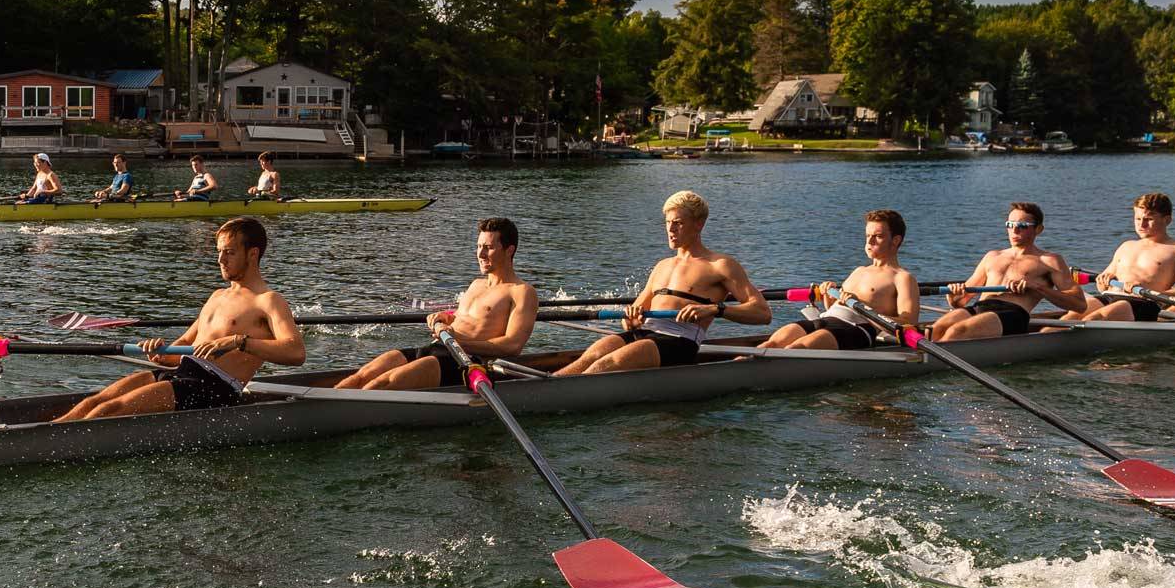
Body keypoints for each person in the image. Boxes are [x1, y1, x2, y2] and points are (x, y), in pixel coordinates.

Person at [55, 217, 304, 419]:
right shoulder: (217, 296)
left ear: (252, 254)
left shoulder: (268, 300)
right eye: (219, 252)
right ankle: (50, 432)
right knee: (95, 402)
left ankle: (58, 446)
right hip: (182, 372)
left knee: (110, 410)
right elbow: (184, 344)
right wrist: (160, 353)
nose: (220, 260)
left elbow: (295, 352)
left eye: (229, 252)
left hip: (214, 388)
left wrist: (238, 341)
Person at [555, 191, 771, 372]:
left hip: (679, 341)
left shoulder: (720, 265)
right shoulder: (662, 266)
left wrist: (715, 309)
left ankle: (560, 395)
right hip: (644, 334)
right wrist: (631, 320)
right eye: (668, 222)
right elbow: (631, 319)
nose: (670, 229)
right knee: (594, 353)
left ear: (699, 224)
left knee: (606, 363)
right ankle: (550, 384)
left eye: (678, 223)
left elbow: (762, 313)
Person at [335, 217, 538, 389]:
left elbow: (512, 346)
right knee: (360, 377)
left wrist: (459, 342)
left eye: (489, 248)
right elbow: (468, 319)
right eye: (478, 247)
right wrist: (445, 318)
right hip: (434, 347)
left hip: (465, 362)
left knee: (383, 383)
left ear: (509, 250)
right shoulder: (476, 284)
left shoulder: (522, 292)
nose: (480, 254)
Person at [761, 209, 919, 349]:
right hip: (825, 320)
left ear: (895, 240)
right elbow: (833, 307)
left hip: (856, 329)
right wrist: (828, 296)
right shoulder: (859, 271)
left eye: (878, 237)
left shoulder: (902, 278)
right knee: (770, 344)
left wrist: (861, 308)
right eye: (868, 235)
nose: (869, 241)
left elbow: (909, 323)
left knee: (796, 348)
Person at [929, 201, 1088, 340]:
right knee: (936, 329)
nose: (1014, 230)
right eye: (1010, 225)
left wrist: (1037, 287)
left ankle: (934, 360)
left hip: (1013, 314)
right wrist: (953, 296)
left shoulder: (1049, 260)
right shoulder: (992, 256)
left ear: (1038, 229)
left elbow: (1080, 304)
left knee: (957, 331)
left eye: (1022, 226)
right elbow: (960, 302)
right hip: (980, 307)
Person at [1070, 192, 1175, 323]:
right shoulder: (1126, 246)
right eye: (1138, 219)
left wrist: (1148, 291)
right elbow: (1103, 286)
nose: (1141, 225)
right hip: (1110, 296)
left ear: (1167, 220)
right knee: (1072, 315)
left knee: (1094, 319)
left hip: (1144, 302)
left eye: (1149, 219)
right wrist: (1102, 281)